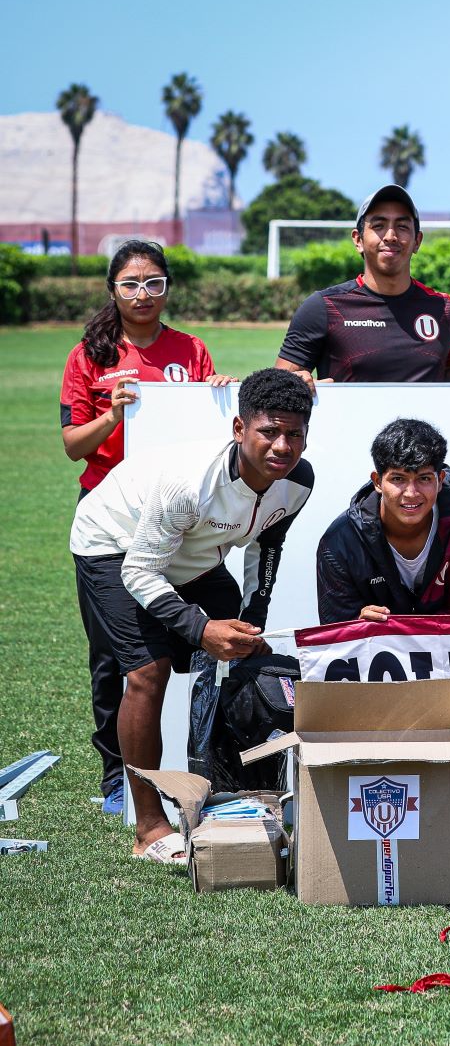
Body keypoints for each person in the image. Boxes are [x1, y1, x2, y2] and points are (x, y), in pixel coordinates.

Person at [69, 369, 315, 861]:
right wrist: (201, 630)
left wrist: (252, 614)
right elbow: (140, 573)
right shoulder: (190, 482)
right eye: (269, 431)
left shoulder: (299, 480)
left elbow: (269, 545)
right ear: (239, 428)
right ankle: (149, 828)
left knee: (249, 651)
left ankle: (230, 786)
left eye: (295, 433)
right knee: (147, 672)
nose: (282, 446)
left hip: (187, 557)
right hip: (113, 546)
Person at [60, 240, 234, 813]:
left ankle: (208, 760)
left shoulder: (191, 348)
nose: (142, 294)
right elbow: (71, 445)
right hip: (113, 516)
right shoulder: (90, 354)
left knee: (195, 641)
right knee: (116, 657)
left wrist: (218, 394)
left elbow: (212, 434)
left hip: (180, 518)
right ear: (113, 289)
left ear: (167, 288)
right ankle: (118, 777)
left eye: (154, 283)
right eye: (131, 284)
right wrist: (111, 414)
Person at [276, 184, 450, 383]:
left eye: (402, 227)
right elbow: (278, 386)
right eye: (378, 226)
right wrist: (298, 384)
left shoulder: (445, 310)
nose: (390, 236)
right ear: (358, 240)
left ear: (417, 241)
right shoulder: (322, 307)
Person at [316, 418, 450, 624]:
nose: (411, 493)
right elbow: (334, 634)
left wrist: (398, 630)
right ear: (378, 482)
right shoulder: (340, 543)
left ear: (440, 480)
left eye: (424, 478)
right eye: (398, 479)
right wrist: (357, 626)